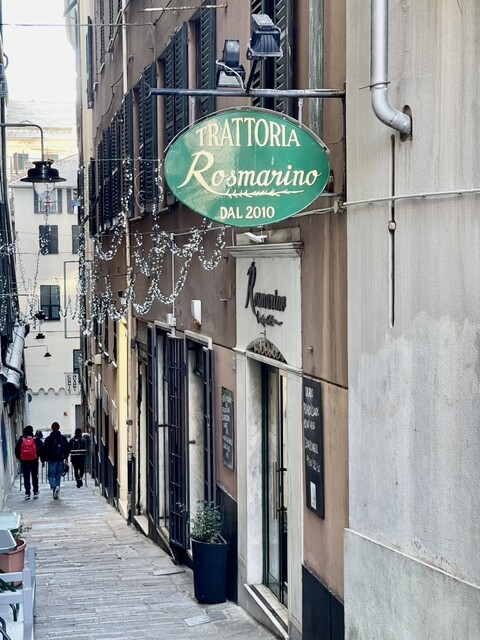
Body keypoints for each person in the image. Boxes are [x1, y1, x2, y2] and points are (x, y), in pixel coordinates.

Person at [41, 422, 69, 499]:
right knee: (58, 476)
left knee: (51, 475)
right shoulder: (63, 438)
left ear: (52, 428)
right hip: (60, 459)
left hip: (52, 459)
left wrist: (44, 459)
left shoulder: (48, 439)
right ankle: (56, 490)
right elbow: (67, 448)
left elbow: (44, 449)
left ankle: (54, 487)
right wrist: (65, 457)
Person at [15, 425, 39, 500]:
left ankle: (27, 492)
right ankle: (35, 490)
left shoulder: (21, 439)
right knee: (34, 476)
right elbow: (41, 448)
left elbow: (17, 449)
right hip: (34, 460)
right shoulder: (35, 439)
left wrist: (19, 458)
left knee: (26, 477)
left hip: (24, 461)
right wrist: (40, 457)